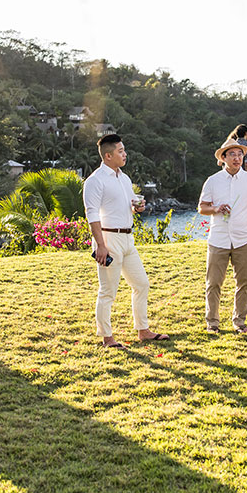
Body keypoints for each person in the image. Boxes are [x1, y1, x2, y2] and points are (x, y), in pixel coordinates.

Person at [82, 133, 168, 347]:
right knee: (108, 291)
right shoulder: (95, 181)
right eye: (120, 151)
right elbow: (91, 214)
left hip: (128, 239)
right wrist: (101, 246)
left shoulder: (125, 178)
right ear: (108, 155)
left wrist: (136, 208)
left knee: (142, 284)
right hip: (108, 239)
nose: (125, 154)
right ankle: (107, 337)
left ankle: (143, 330)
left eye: (124, 150)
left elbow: (129, 205)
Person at [199, 138, 247, 334]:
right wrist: (215, 209)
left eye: (240, 154)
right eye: (232, 155)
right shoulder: (212, 181)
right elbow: (202, 208)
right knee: (213, 283)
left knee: (244, 282)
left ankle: (239, 321)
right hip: (218, 239)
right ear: (223, 158)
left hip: (245, 239)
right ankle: (212, 323)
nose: (237, 158)